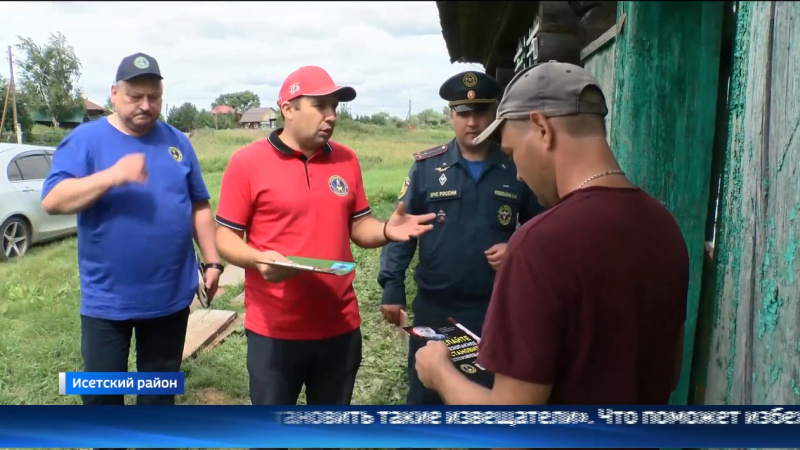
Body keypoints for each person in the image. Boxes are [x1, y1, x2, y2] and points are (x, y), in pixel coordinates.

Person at [414, 61, 690, 408]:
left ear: (541, 128)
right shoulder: (664, 227)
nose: (516, 176)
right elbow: (671, 371)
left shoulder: (537, 245)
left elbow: (512, 433)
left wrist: (440, 374)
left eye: (513, 154)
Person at [213, 66, 436, 415]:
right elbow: (225, 237)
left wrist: (386, 231)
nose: (331, 116)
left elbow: (359, 226)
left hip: (340, 326)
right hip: (275, 330)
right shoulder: (248, 163)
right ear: (288, 108)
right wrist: (257, 260)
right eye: (320, 106)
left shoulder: (345, 159)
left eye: (334, 107)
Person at [40, 52, 222, 410]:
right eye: (135, 96)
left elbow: (199, 204)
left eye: (153, 97)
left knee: (158, 397)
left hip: (169, 297)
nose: (145, 104)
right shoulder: (86, 140)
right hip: (108, 301)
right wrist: (113, 175)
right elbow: (53, 199)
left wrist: (213, 261)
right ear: (114, 93)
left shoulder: (177, 142)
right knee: (102, 398)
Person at [377, 70, 544, 410]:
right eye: (464, 113)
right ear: (451, 116)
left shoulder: (515, 167)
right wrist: (392, 288)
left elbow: (543, 226)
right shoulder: (427, 168)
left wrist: (517, 247)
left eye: (481, 112)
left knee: (487, 397)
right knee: (424, 399)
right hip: (435, 306)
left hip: (494, 308)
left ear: (494, 115)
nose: (472, 122)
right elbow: (402, 231)